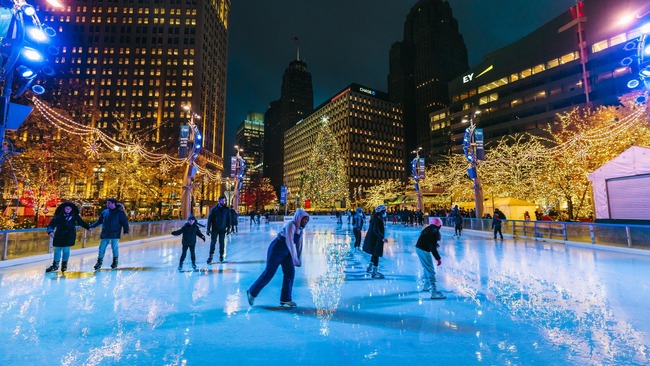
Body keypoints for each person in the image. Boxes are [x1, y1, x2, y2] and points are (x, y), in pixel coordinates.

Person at [246, 209, 310, 307]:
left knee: (290, 273)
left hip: (287, 252)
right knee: (269, 273)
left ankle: (285, 298)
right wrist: (295, 259)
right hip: (277, 249)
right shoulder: (291, 225)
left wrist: (299, 259)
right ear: (298, 218)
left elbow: (299, 246)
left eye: (307, 220)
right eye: (304, 219)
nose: (305, 222)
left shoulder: (300, 231)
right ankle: (252, 292)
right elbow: (289, 242)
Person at [45, 202, 92, 273]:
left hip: (69, 235)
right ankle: (55, 265)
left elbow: (81, 222)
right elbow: (51, 225)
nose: (68, 210)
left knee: (66, 250)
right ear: (64, 209)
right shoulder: (58, 216)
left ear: (72, 209)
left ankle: (64, 265)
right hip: (59, 235)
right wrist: (50, 231)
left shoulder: (75, 216)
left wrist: (89, 228)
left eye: (69, 208)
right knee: (57, 249)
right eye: (66, 208)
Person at [90, 198, 130, 270]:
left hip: (115, 233)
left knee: (114, 248)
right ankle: (99, 262)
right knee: (101, 248)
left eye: (108, 203)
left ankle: (115, 262)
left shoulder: (120, 212)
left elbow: (124, 222)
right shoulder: (105, 212)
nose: (107, 204)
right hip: (105, 233)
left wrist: (126, 231)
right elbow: (99, 221)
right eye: (107, 203)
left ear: (113, 203)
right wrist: (92, 226)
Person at [415, 218, 446, 299]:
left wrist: (434, 244)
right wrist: (438, 258)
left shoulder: (429, 229)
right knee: (430, 270)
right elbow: (432, 247)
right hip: (423, 250)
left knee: (426, 268)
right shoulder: (434, 231)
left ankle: (426, 285)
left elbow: (429, 241)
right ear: (439, 225)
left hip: (419, 248)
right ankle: (434, 291)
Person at [362, 205, 388, 279]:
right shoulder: (377, 219)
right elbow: (376, 230)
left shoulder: (377, 218)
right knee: (376, 254)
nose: (385, 212)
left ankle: (370, 267)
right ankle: (374, 271)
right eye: (384, 211)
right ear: (381, 211)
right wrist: (382, 237)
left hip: (374, 239)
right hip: (375, 240)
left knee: (374, 253)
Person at [206, 195, 231, 264]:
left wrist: (229, 228)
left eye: (224, 201)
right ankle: (210, 256)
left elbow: (229, 219)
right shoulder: (214, 209)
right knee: (213, 243)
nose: (223, 202)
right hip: (215, 229)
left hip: (222, 229)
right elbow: (209, 219)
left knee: (222, 243)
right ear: (219, 201)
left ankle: (221, 255)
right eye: (222, 200)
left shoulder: (226, 209)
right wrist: (208, 229)